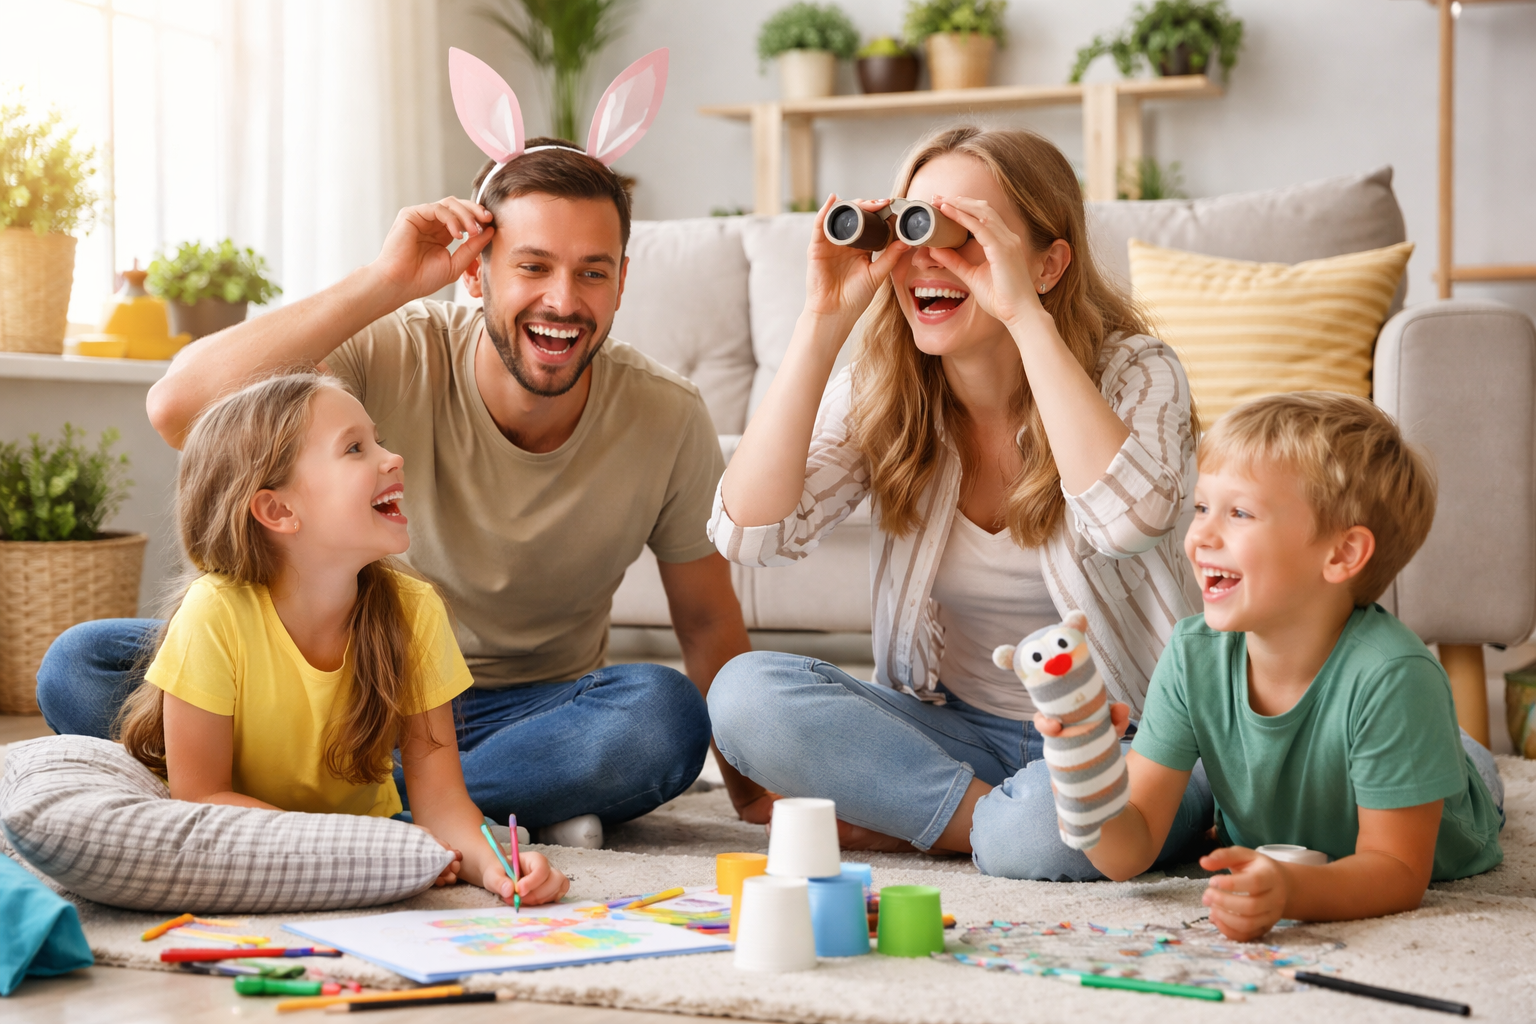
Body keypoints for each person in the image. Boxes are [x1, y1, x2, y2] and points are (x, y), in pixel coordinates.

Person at [37, 139, 755, 844]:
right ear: (475, 273)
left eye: (592, 273)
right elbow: (178, 412)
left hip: (530, 708)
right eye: (532, 267)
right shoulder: (394, 345)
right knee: (82, 665)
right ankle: (450, 814)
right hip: (353, 686)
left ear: (623, 281)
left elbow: (706, 624)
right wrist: (387, 280)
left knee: (663, 718)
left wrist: (754, 801)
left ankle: (326, 807)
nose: (563, 301)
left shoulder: (668, 413)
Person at [706, 125, 1211, 879]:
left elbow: (1128, 520)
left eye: (966, 234)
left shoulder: (1137, 372)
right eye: (911, 228)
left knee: (1045, 824)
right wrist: (821, 323)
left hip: (1133, 739)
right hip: (956, 732)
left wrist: (1022, 317)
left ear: (1048, 262)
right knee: (743, 696)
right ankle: (982, 824)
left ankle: (935, 817)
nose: (927, 259)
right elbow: (746, 535)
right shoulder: (890, 387)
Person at [115, 372, 569, 906]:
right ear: (279, 510)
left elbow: (443, 803)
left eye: (377, 439)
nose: (391, 457)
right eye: (355, 448)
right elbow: (201, 798)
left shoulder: (413, 609)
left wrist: (502, 868)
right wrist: (368, 845)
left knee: (478, 826)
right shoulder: (214, 612)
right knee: (77, 660)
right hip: (287, 836)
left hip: (374, 825)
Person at [1074, 392, 1503, 941]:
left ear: (1343, 554)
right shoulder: (1192, 653)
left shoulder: (1395, 675)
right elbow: (1125, 855)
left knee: (1471, 764)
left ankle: (1464, 753)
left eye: (1240, 513)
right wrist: (1084, 770)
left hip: (1445, 805)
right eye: (1202, 507)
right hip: (1326, 775)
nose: (1199, 537)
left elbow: (1398, 872)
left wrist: (1291, 891)